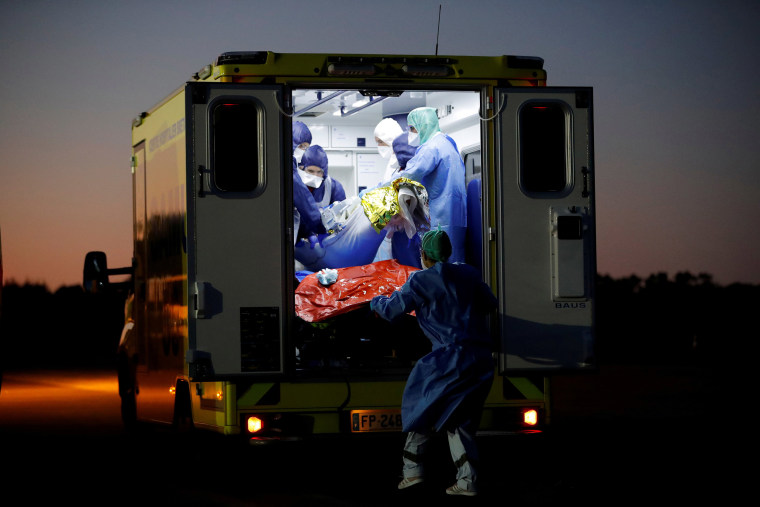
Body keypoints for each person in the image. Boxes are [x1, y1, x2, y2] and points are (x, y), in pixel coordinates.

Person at [370, 230, 497, 497]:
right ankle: (466, 481)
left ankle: (412, 472)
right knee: (459, 420)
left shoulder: (420, 281)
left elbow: (392, 310)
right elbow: (490, 303)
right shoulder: (469, 274)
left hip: (448, 361)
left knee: (421, 410)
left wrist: (375, 300)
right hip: (480, 358)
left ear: (424, 255)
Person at [395, 107, 467, 263]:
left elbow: (408, 175)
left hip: (440, 218)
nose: (411, 133)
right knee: (454, 266)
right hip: (455, 219)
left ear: (424, 125)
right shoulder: (448, 144)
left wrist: (376, 189)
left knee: (438, 268)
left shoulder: (432, 148)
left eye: (412, 128)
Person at [292, 121, 325, 240]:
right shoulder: (287, 164)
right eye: (301, 146)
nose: (303, 150)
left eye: (306, 147)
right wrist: (320, 227)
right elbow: (302, 197)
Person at [373, 117, 404, 182]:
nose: (379, 146)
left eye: (380, 142)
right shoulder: (393, 161)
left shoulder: (404, 161)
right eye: (377, 142)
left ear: (391, 140)